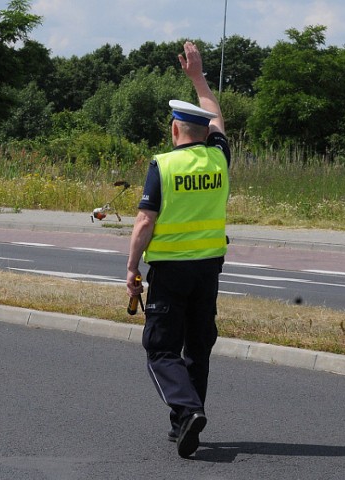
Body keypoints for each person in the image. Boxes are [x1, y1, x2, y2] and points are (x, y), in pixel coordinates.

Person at [126, 41, 231, 459]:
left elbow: (145, 221)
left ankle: (187, 410)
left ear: (174, 130)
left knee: (160, 349)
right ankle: (185, 424)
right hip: (208, 270)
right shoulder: (219, 159)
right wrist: (198, 78)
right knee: (197, 347)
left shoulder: (163, 166)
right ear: (206, 132)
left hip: (169, 273)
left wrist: (131, 268)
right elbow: (218, 118)